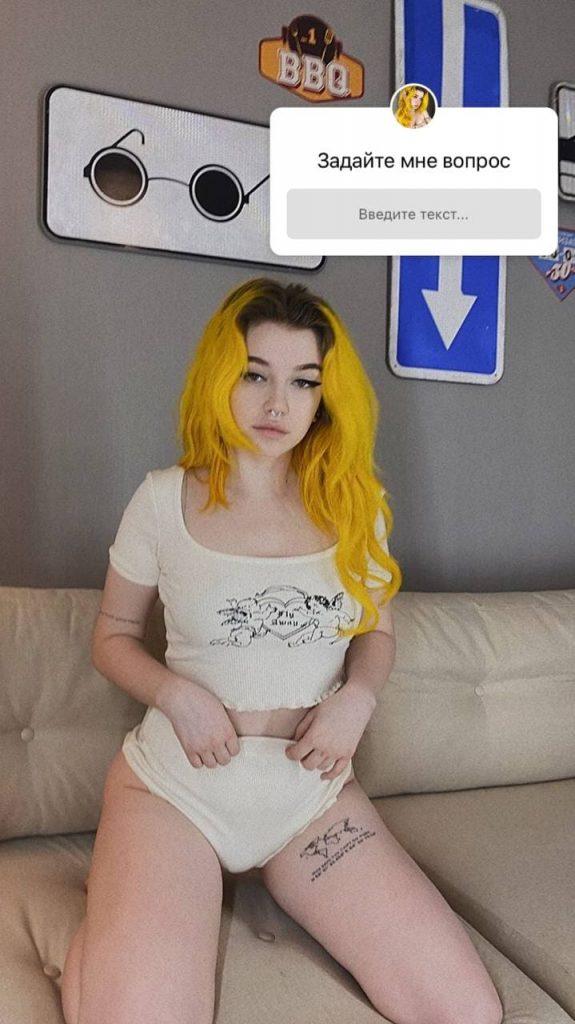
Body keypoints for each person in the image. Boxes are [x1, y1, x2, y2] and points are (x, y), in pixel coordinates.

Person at [61, 278, 503, 1024]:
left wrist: (357, 700)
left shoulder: (357, 505)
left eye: (303, 382)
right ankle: (113, 921)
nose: (277, 404)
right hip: (175, 794)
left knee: (466, 1012)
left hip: (310, 799)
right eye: (255, 375)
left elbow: (376, 633)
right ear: (220, 378)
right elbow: (111, 637)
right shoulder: (162, 499)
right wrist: (175, 694)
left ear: (326, 397)